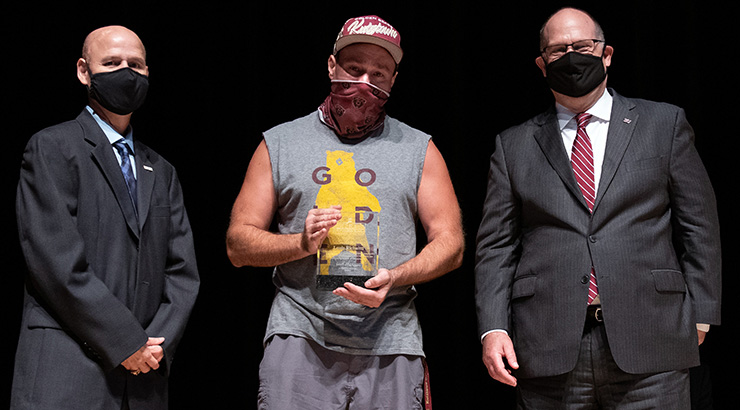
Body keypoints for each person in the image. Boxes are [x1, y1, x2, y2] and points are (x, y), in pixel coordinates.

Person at [474, 7, 721, 409]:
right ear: (541, 64)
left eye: (583, 46)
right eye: (558, 51)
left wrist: (702, 313)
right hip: (547, 346)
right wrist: (493, 328)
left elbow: (700, 226)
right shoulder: (513, 145)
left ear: (606, 54)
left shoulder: (664, 123)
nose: (571, 56)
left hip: (654, 341)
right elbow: (495, 247)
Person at [226, 15, 464, 409]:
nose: (365, 83)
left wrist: (397, 276)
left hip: (391, 336)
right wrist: (300, 243)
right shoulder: (279, 143)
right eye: (354, 70)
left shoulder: (420, 148)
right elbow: (238, 244)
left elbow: (451, 244)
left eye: (379, 74)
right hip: (300, 333)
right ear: (331, 66)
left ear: (394, 80)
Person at [11, 25, 200, 410]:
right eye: (111, 63)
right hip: (67, 372)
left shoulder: (161, 170)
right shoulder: (52, 148)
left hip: (145, 380)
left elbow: (182, 273)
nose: (126, 72)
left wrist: (152, 347)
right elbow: (56, 263)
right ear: (84, 71)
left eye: (136, 64)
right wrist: (125, 342)